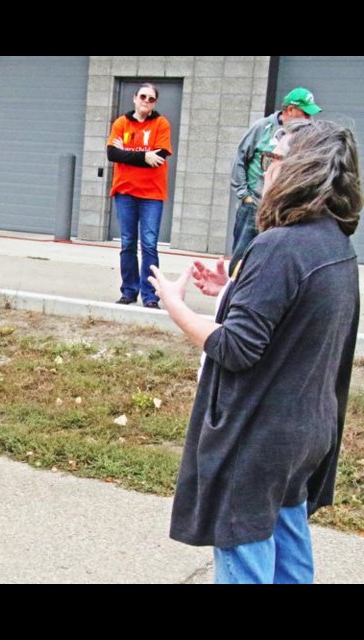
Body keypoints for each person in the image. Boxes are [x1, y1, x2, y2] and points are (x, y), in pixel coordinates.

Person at [148, 119, 360, 583]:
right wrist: (233, 291)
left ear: (301, 169)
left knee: (245, 556)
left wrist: (175, 306)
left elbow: (236, 347)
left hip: (258, 434)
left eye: (272, 159)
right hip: (304, 430)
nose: (264, 170)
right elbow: (299, 315)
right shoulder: (334, 244)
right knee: (288, 541)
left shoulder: (278, 247)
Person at [229, 87, 320, 274]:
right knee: (241, 258)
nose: (309, 119)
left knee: (271, 261)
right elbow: (239, 160)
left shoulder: (303, 136)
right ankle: (230, 296)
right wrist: (244, 195)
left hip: (281, 210)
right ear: (291, 110)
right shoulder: (262, 128)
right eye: (305, 113)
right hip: (253, 205)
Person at [106, 82, 172, 310]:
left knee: (150, 244)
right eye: (143, 96)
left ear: (155, 103)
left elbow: (161, 155)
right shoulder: (121, 123)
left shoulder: (161, 124)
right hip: (125, 192)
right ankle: (129, 291)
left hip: (152, 194)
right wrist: (145, 157)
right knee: (127, 243)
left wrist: (128, 154)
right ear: (135, 98)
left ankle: (150, 295)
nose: (146, 101)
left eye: (151, 98)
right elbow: (112, 153)